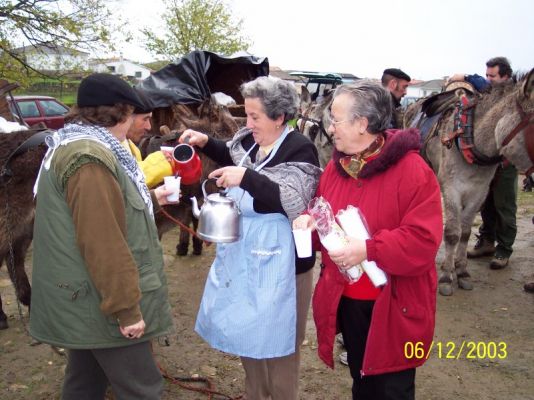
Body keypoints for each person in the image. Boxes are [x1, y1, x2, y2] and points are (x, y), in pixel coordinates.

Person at [293, 80, 443, 400]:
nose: (330, 128)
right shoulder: (336, 169)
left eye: (335, 119)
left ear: (362, 124)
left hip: (393, 308)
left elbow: (423, 241)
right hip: (350, 302)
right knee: (361, 380)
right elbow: (324, 212)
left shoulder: (413, 171)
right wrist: (311, 221)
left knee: (391, 389)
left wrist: (369, 249)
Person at [29, 73, 175, 400]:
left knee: (84, 384)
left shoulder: (78, 144)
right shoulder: (89, 157)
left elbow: (100, 210)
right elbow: (102, 241)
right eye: (135, 112)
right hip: (101, 302)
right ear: (120, 111)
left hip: (86, 299)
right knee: (142, 389)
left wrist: (151, 200)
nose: (145, 124)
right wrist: (126, 309)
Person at [179, 76, 321, 400]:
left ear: (280, 117)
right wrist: (204, 142)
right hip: (248, 257)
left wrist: (245, 178)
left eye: (255, 116)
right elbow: (232, 155)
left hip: (285, 268)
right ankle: (255, 394)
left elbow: (292, 200)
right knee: (249, 332)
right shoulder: (252, 142)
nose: (249, 122)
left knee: (281, 345)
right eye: (248, 114)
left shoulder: (299, 148)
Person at [450, 57, 518, 270]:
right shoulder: (491, 92)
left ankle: (503, 249)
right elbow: (482, 84)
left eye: (493, 76)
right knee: (485, 202)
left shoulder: (513, 97)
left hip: (505, 159)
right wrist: (466, 77)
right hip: (486, 159)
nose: (488, 80)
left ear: (506, 77)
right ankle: (487, 241)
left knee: (504, 204)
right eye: (486, 75)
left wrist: (467, 76)